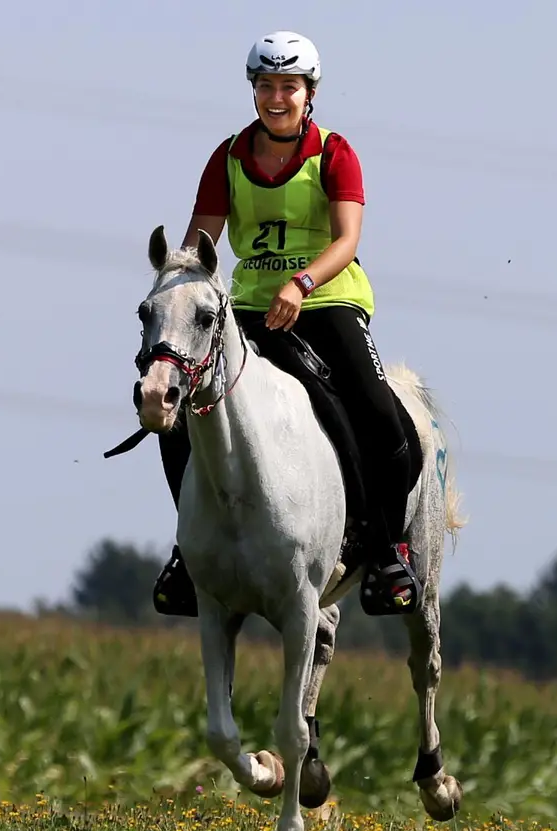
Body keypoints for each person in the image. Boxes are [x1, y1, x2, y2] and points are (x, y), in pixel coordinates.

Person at [150, 30, 423, 618]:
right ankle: (188, 550)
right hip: (248, 307)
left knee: (375, 409)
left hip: (326, 300)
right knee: (178, 410)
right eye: (267, 86)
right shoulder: (227, 158)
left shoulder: (334, 153)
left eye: (289, 87)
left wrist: (301, 285)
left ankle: (387, 549)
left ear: (309, 93)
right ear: (254, 92)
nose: (278, 97)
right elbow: (202, 245)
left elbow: (348, 240)